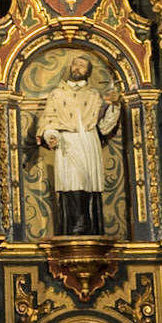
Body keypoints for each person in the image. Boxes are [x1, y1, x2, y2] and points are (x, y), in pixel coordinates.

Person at [36, 54, 122, 236]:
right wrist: (51, 135)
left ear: (88, 71)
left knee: (89, 181)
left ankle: (91, 228)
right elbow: (48, 121)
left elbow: (105, 126)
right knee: (72, 180)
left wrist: (115, 106)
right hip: (67, 141)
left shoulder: (94, 95)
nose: (77, 67)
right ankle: (75, 227)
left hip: (90, 140)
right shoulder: (57, 94)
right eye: (75, 63)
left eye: (82, 65)